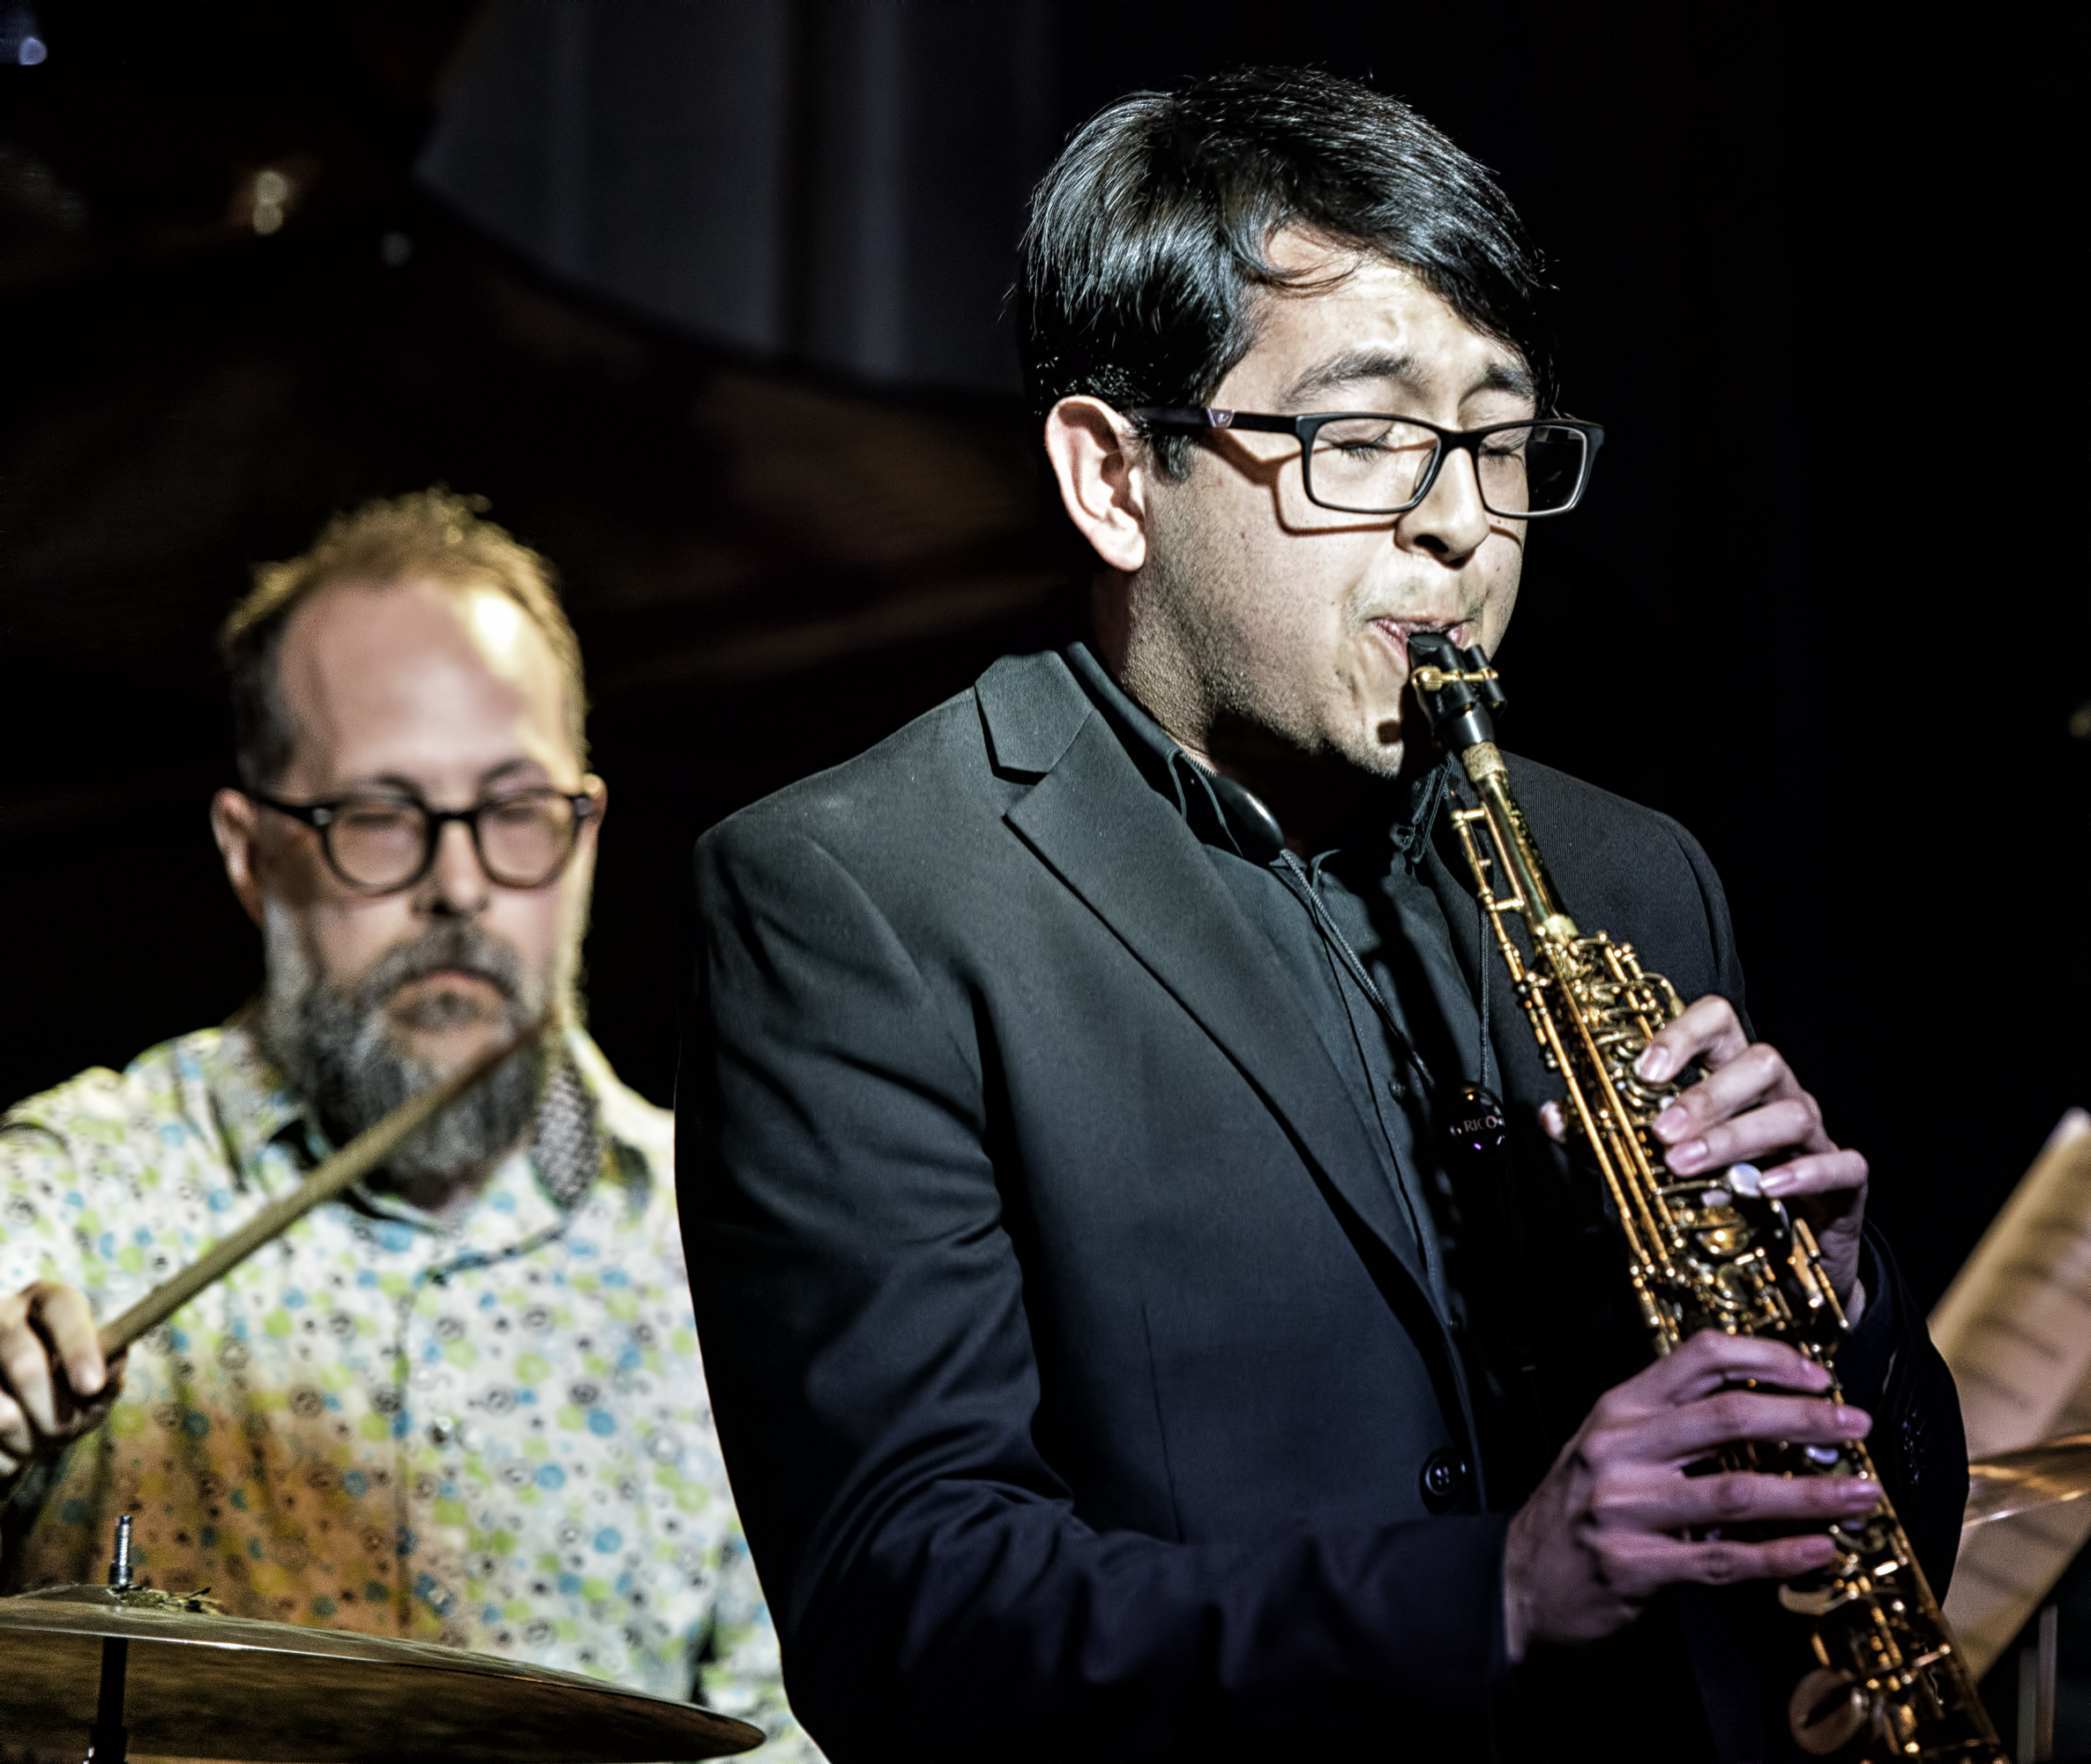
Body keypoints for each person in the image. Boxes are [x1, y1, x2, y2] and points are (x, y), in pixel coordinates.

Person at [680, 69, 1966, 1763]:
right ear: (1113, 478)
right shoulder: (859, 892)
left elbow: (1875, 1547)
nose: (1459, 524)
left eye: (1502, 445)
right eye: (1364, 441)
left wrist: (1836, 1313)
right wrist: (1493, 1592)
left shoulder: (1639, 876)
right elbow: (902, 1617)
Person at [0, 490, 816, 1757]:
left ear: (588, 834)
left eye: (514, 811)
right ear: (250, 852)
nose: (460, 884)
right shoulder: (79, 1189)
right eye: (379, 815)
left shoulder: (731, 1258)